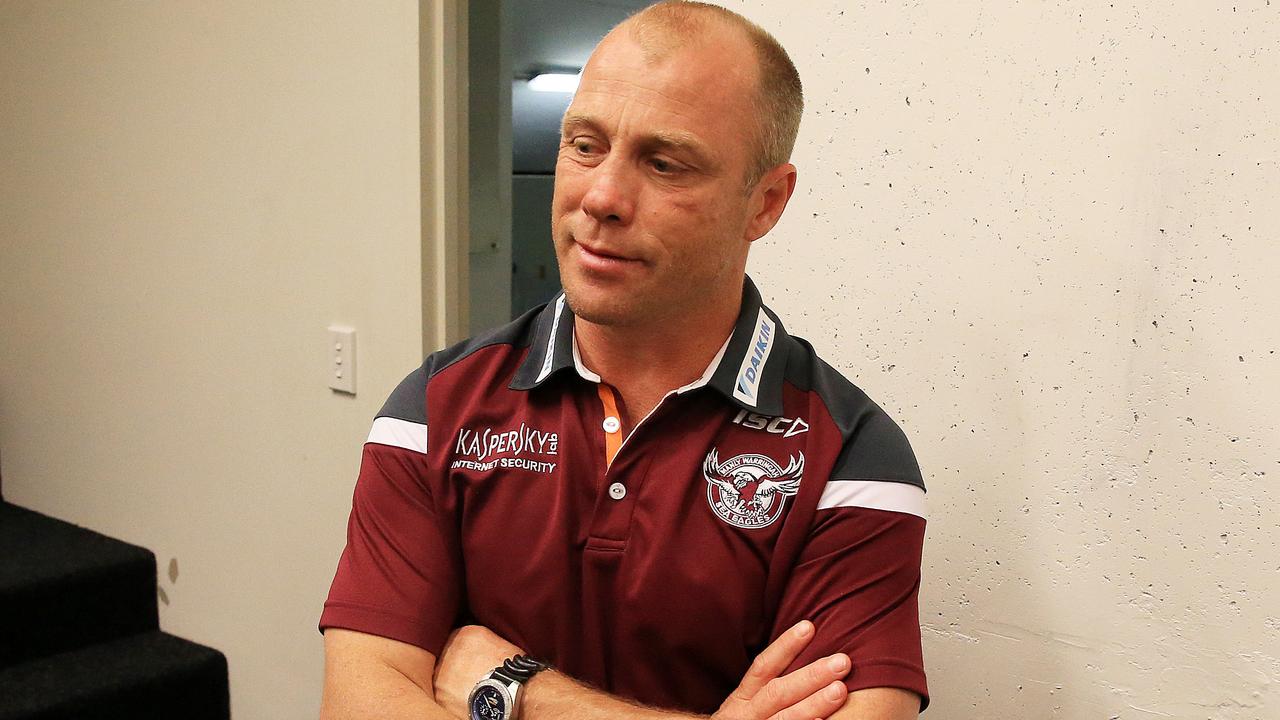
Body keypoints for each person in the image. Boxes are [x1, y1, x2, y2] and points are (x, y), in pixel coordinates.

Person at [318, 3, 928, 719]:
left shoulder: (852, 459)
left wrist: (518, 691)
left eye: (665, 163)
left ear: (765, 203)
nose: (602, 196)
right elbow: (359, 704)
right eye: (584, 145)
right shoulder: (433, 411)